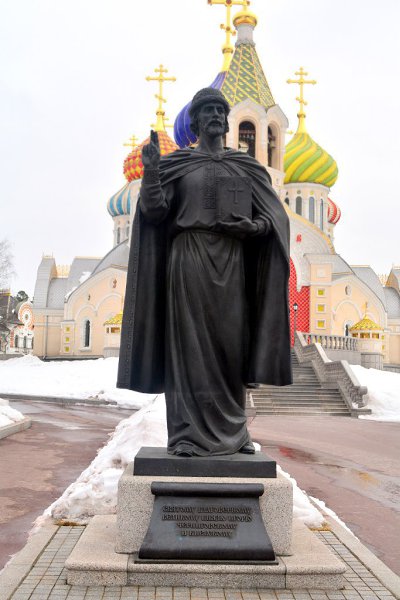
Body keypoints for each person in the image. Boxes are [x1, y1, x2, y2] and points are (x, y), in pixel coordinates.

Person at [117, 87, 292, 457]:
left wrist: (254, 228)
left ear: (226, 122)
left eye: (220, 111)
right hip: (189, 259)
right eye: (207, 111)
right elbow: (154, 211)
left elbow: (273, 218)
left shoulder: (245, 167)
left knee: (232, 345)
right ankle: (185, 434)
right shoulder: (178, 164)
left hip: (233, 262)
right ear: (194, 122)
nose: (215, 116)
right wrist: (151, 171)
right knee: (188, 348)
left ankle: (235, 433)